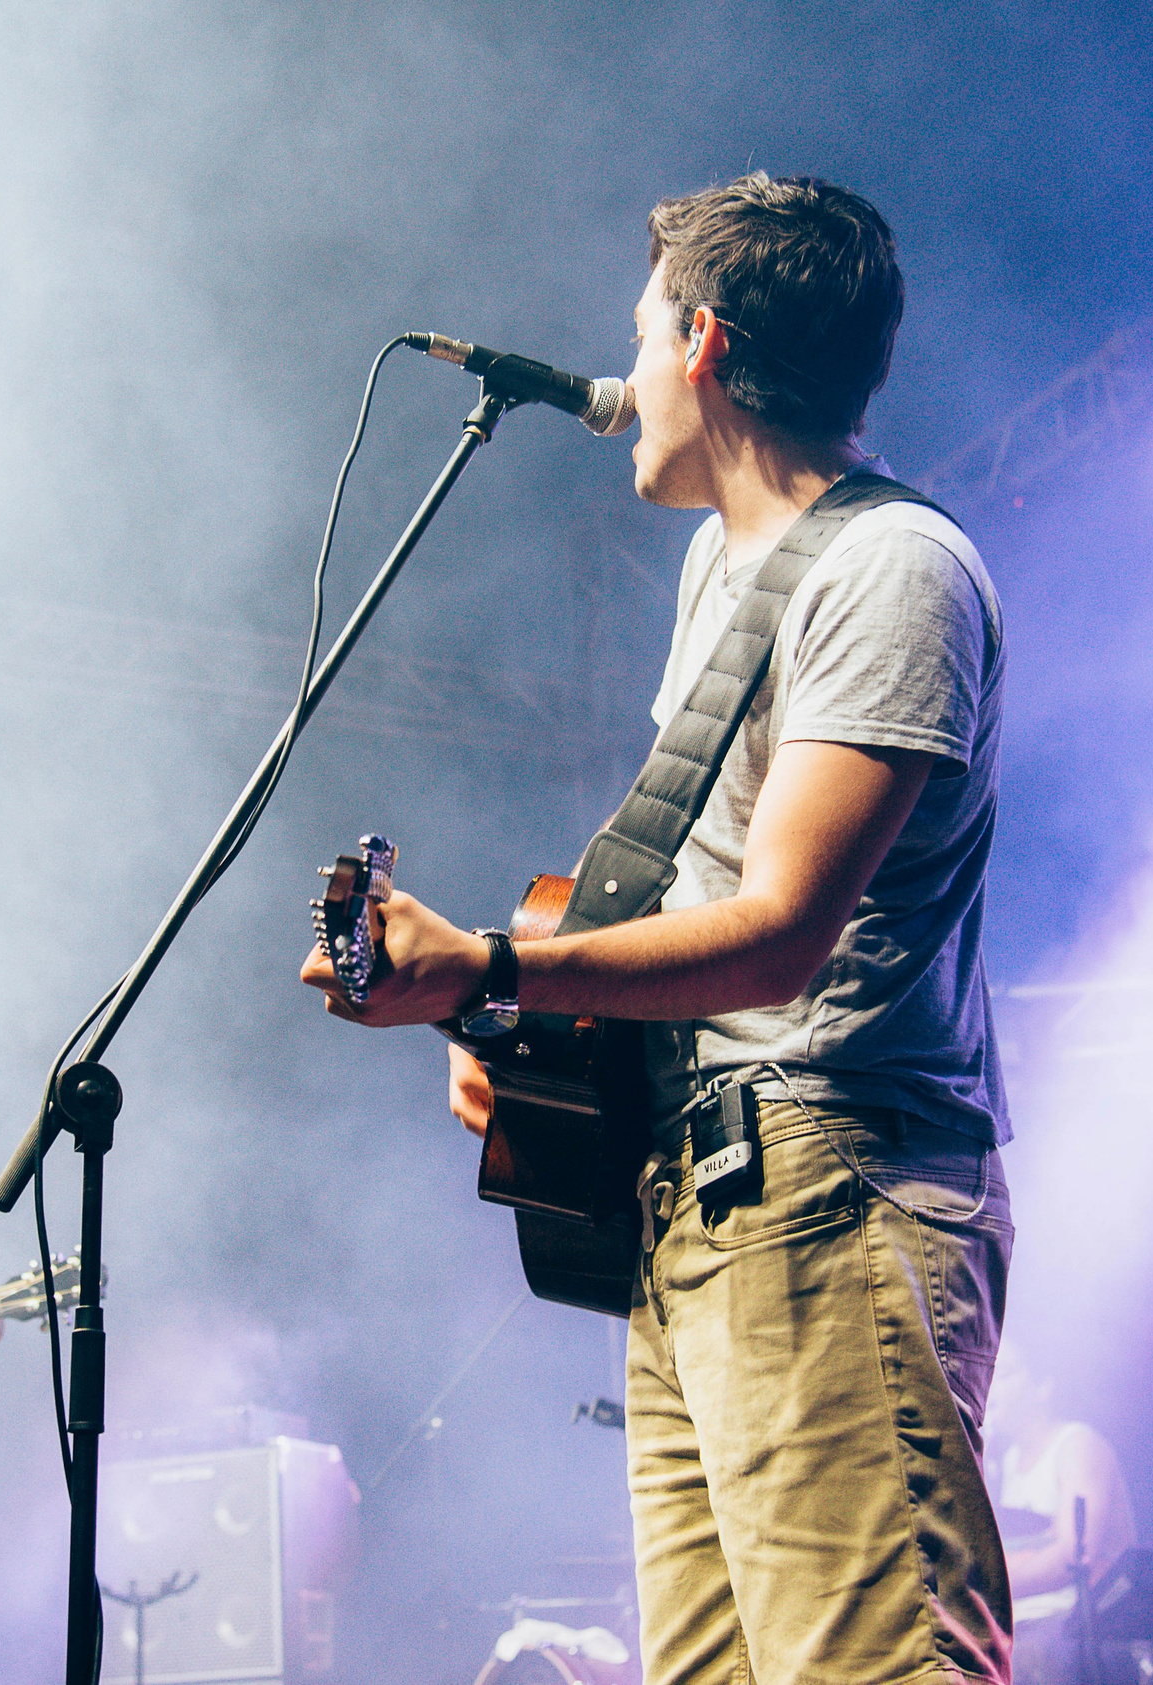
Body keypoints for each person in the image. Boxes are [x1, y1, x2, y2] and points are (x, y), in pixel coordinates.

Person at [302, 172, 1015, 1683]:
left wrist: (490, 969)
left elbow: (776, 936)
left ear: (700, 341)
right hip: (697, 1189)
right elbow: (687, 878)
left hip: (832, 1177)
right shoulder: (721, 565)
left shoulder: (894, 571)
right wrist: (519, 1023)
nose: (616, 379)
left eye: (637, 332)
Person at [985, 1351, 1135, 1685]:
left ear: (1043, 1388)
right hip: (1027, 1629)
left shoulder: (1075, 1445)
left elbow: (1074, 1556)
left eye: (1006, 1373)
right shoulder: (1007, 1460)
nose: (991, 1386)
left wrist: (985, 1587)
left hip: (1078, 1628)